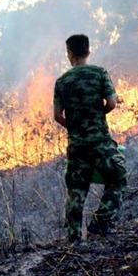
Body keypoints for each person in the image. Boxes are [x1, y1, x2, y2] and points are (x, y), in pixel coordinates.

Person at [53, 34, 127, 243]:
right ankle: (100, 224)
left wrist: (76, 128)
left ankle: (73, 239)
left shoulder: (62, 82)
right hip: (100, 142)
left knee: (76, 191)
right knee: (118, 177)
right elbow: (112, 103)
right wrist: (97, 116)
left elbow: (58, 116)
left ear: (69, 53)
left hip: (76, 144)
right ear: (88, 51)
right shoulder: (99, 73)